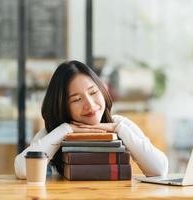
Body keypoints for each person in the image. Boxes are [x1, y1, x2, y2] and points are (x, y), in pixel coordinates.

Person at [14, 60, 168, 179]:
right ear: (63, 107)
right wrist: (67, 130)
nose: (90, 104)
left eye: (93, 92)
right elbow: (22, 169)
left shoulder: (120, 124)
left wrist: (118, 129)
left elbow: (160, 170)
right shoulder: (53, 132)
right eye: (76, 99)